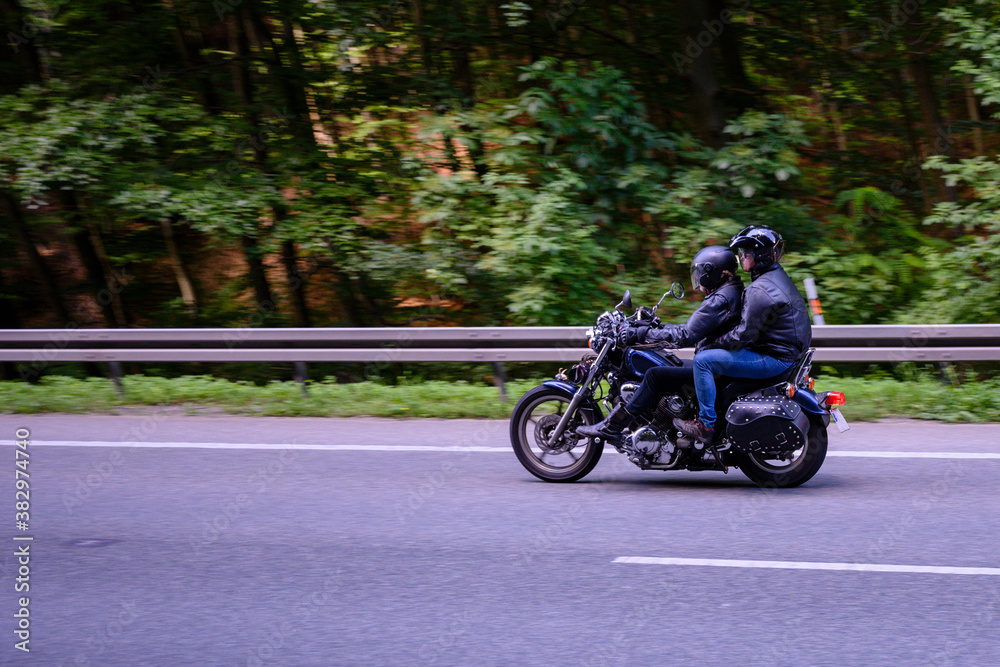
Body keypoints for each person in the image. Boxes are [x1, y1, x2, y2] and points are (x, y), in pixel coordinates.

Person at [576, 245, 743, 444]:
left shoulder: (720, 299)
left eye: (700, 273)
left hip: (715, 367)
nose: (698, 279)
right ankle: (661, 424)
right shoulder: (729, 292)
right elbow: (694, 329)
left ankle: (613, 427)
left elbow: (685, 335)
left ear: (710, 272)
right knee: (671, 364)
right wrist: (657, 327)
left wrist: (640, 332)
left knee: (655, 375)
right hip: (718, 362)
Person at [673, 225, 812, 442]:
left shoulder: (760, 289)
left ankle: (706, 425)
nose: (742, 257)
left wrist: (711, 343)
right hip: (784, 352)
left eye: (746, 253)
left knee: (703, 361)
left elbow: (742, 335)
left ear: (761, 255)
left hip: (775, 358)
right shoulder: (774, 276)